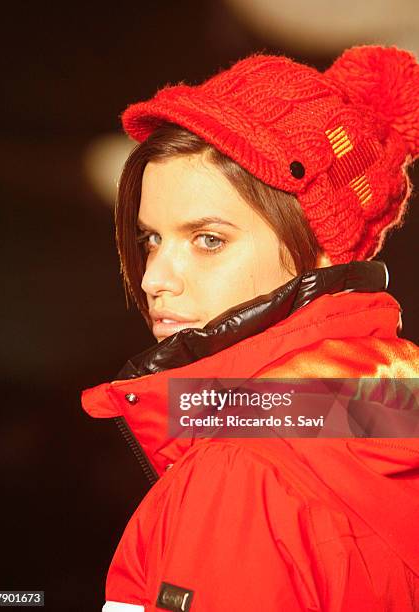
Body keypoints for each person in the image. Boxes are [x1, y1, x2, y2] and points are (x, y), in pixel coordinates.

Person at [82, 45, 419, 611]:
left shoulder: (241, 470)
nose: (153, 279)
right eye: (150, 240)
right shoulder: (387, 405)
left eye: (208, 239)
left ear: (321, 256)